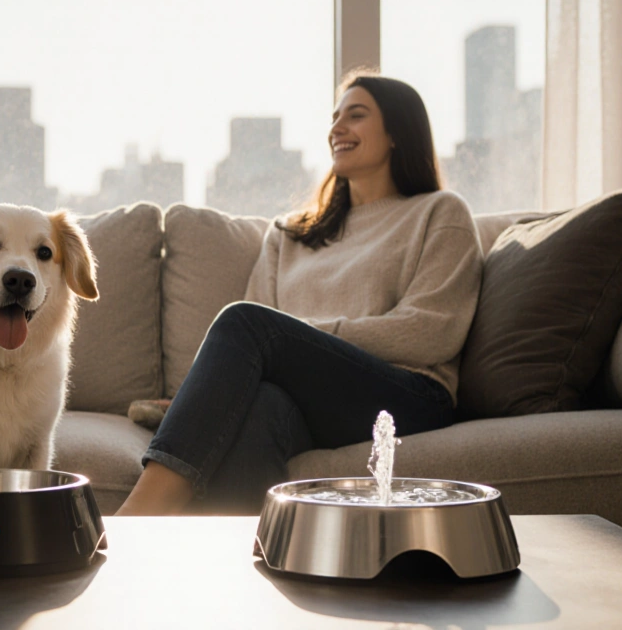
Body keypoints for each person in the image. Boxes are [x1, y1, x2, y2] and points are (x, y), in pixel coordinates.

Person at [115, 74, 484, 516]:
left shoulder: (440, 213)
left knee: (246, 323)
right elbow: (261, 344)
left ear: (397, 133)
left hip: (406, 397)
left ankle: (140, 515)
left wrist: (303, 335)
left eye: (357, 115)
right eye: (335, 118)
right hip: (306, 402)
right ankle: (238, 564)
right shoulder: (289, 235)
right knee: (261, 408)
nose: (337, 128)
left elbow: (432, 333)